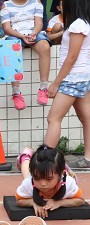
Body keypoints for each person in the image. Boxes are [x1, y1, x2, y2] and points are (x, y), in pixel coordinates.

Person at [43, 0, 90, 169]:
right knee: (87, 118)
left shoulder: (77, 25)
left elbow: (72, 57)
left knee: (53, 118)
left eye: (63, 3)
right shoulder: (81, 23)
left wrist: (56, 83)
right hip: (81, 77)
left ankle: (45, 161)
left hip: (73, 78)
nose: (59, 6)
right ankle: (88, 159)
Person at [0, 0, 52, 110]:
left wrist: (33, 34)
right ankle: (16, 92)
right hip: (15, 34)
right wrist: (22, 36)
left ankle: (43, 88)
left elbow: (39, 23)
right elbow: (7, 29)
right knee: (13, 49)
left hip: (34, 33)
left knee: (45, 47)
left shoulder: (36, 2)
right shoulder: (6, 5)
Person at [15, 145, 84, 218]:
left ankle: (27, 157)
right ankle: (25, 157)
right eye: (37, 178)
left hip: (67, 174)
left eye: (49, 179)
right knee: (26, 174)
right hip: (43, 172)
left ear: (60, 175)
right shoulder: (29, 182)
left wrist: (59, 203)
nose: (43, 184)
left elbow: (81, 200)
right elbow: (18, 200)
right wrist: (33, 202)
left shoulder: (69, 183)